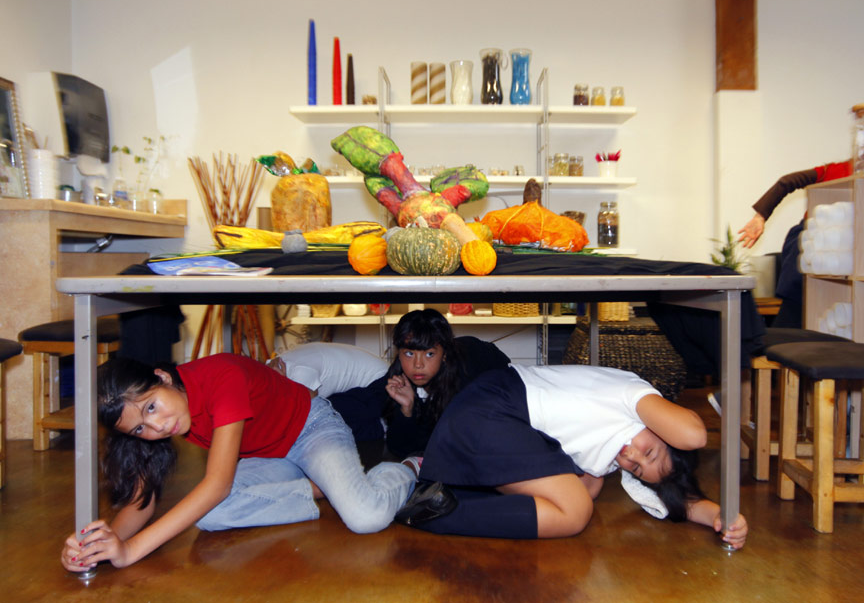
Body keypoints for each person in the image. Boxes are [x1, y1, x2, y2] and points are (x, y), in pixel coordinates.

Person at [60, 353, 418, 573]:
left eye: (151, 406)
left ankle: (404, 469)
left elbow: (217, 485)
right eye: (140, 428)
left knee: (365, 517)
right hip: (267, 456)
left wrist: (130, 551)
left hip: (311, 429)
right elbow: (141, 503)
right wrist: (102, 546)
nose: (157, 426)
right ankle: (321, 487)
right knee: (209, 514)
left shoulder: (221, 376)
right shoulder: (158, 420)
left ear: (163, 377)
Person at [397, 364, 748, 549]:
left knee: (589, 486)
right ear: (663, 428)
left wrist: (721, 516)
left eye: (637, 469)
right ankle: (432, 512)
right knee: (576, 510)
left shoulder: (614, 450)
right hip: (494, 408)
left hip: (498, 413)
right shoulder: (634, 396)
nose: (632, 457)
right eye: (650, 451)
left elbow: (667, 496)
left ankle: (446, 495)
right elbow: (694, 435)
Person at [328, 309, 511, 460]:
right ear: (399, 353)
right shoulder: (400, 375)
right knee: (365, 407)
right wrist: (406, 409)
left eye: (429, 354)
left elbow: (432, 446)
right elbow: (399, 448)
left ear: (444, 355)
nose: (418, 365)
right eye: (409, 353)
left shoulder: (464, 380)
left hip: (501, 387)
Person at [738, 160, 853, 328]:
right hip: (810, 246)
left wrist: (760, 217)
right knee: (796, 310)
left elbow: (785, 182)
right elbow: (787, 182)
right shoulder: (835, 170)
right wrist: (760, 216)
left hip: (838, 253)